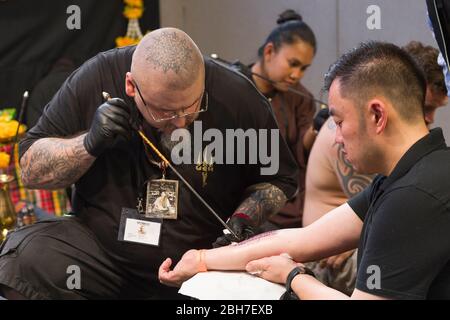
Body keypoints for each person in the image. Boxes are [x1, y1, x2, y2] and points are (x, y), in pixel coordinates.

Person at [0, 28, 299, 299]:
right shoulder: (97, 77)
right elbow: (30, 170)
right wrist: (88, 143)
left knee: (274, 293)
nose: (181, 123)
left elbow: (279, 179)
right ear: (131, 86)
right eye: (166, 112)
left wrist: (244, 219)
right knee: (25, 259)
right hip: (102, 257)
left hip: (198, 266)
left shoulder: (236, 95)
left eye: (192, 107)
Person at [159, 41, 450, 300]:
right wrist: (202, 259)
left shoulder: (414, 196)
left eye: (338, 121)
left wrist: (294, 277)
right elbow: (302, 239)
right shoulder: (409, 173)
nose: (335, 137)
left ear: (377, 115)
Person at [301, 41, 448, 295]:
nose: (428, 119)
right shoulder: (352, 139)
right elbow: (385, 215)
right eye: (424, 108)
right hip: (328, 257)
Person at [231, 9, 320, 233]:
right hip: (236, 202)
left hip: (287, 206)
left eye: (303, 68)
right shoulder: (233, 87)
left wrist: (317, 128)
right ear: (270, 51)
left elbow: (302, 154)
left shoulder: (302, 98)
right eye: (293, 63)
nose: (297, 74)